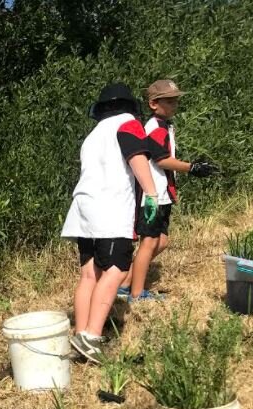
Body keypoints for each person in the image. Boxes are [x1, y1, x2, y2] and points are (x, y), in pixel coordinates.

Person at [61, 83, 162, 364]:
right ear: (129, 106)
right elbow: (137, 157)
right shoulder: (128, 124)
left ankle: (80, 333)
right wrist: (151, 194)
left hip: (83, 209)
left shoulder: (93, 134)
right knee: (117, 269)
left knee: (89, 274)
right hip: (110, 209)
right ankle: (92, 337)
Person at [119, 79, 219, 301]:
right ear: (153, 104)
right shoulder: (155, 127)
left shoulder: (164, 126)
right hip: (151, 196)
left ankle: (125, 283)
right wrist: (192, 168)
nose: (175, 105)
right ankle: (137, 293)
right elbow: (162, 159)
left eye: (176, 101)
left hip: (162, 195)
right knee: (149, 243)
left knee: (161, 241)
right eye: (170, 101)